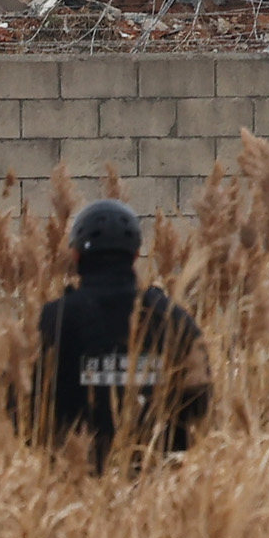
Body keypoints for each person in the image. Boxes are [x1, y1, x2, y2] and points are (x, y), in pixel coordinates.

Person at [31, 199, 212, 471]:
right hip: (156, 488)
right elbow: (199, 402)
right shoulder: (173, 318)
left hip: (72, 487)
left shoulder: (55, 319)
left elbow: (22, 404)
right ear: (136, 254)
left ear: (77, 255)